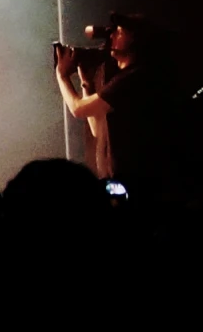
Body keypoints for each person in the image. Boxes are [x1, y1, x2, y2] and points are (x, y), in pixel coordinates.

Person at [54, 12, 180, 195]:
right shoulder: (121, 78)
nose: (111, 36)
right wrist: (87, 86)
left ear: (135, 39)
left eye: (119, 32)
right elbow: (98, 129)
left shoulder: (134, 78)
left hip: (134, 181)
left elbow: (78, 109)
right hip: (116, 180)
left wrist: (62, 75)